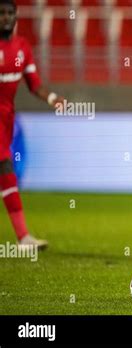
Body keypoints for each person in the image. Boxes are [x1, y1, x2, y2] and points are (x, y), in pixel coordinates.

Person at [0, 0, 65, 249]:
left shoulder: (21, 48)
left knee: (7, 175)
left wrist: (51, 98)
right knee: (6, 171)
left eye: (9, 13)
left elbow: (34, 83)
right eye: (1, 14)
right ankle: (23, 237)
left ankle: (23, 237)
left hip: (6, 119)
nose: (6, 18)